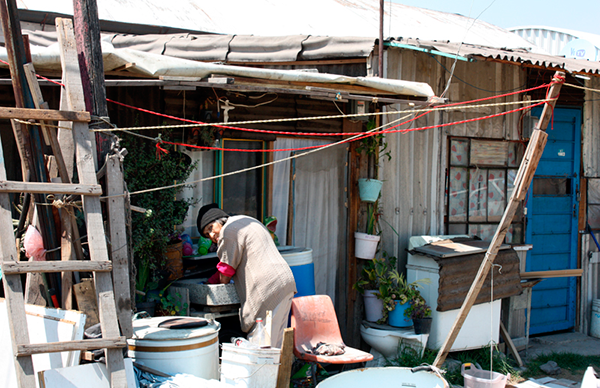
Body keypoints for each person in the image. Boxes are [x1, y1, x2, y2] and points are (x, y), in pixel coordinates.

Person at [197, 204, 297, 348]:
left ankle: (263, 371)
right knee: (275, 345)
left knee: (261, 347)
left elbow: (225, 272)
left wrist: (211, 282)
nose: (212, 236)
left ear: (220, 220)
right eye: (207, 235)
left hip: (267, 288)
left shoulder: (228, 231)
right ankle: (274, 371)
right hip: (285, 282)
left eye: (211, 228)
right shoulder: (246, 220)